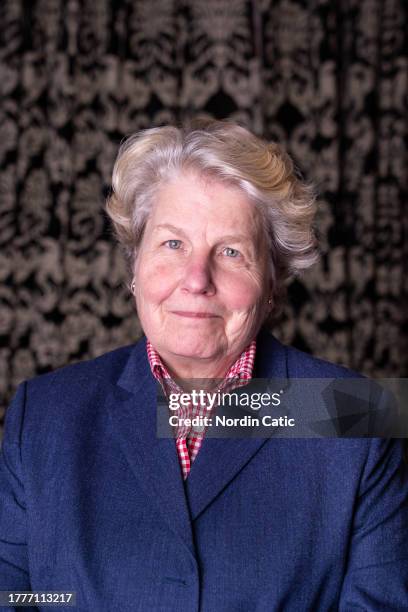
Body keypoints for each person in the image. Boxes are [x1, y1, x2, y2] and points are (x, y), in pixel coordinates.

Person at [0, 120, 407, 611]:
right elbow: (18, 597)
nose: (197, 280)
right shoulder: (43, 414)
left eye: (231, 252)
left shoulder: (354, 415)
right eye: (173, 244)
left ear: (273, 281)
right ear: (135, 266)